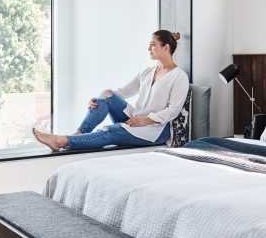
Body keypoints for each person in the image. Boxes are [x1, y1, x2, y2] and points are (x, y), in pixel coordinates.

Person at [33, 30, 189, 151]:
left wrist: (147, 119)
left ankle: (61, 141)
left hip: (155, 130)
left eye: (152, 44)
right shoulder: (148, 72)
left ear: (165, 47)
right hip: (136, 119)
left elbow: (173, 111)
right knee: (107, 94)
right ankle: (78, 135)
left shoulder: (179, 77)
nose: (148, 48)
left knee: (110, 131)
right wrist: (98, 100)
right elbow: (121, 93)